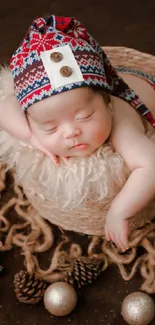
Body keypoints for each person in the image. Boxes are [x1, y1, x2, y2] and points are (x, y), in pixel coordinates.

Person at [1, 14, 155, 252]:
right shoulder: (37, 110)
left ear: (107, 104)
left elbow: (150, 165)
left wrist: (119, 210)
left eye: (85, 117)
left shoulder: (121, 122)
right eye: (51, 127)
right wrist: (31, 137)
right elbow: (4, 106)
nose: (71, 132)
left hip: (144, 86)